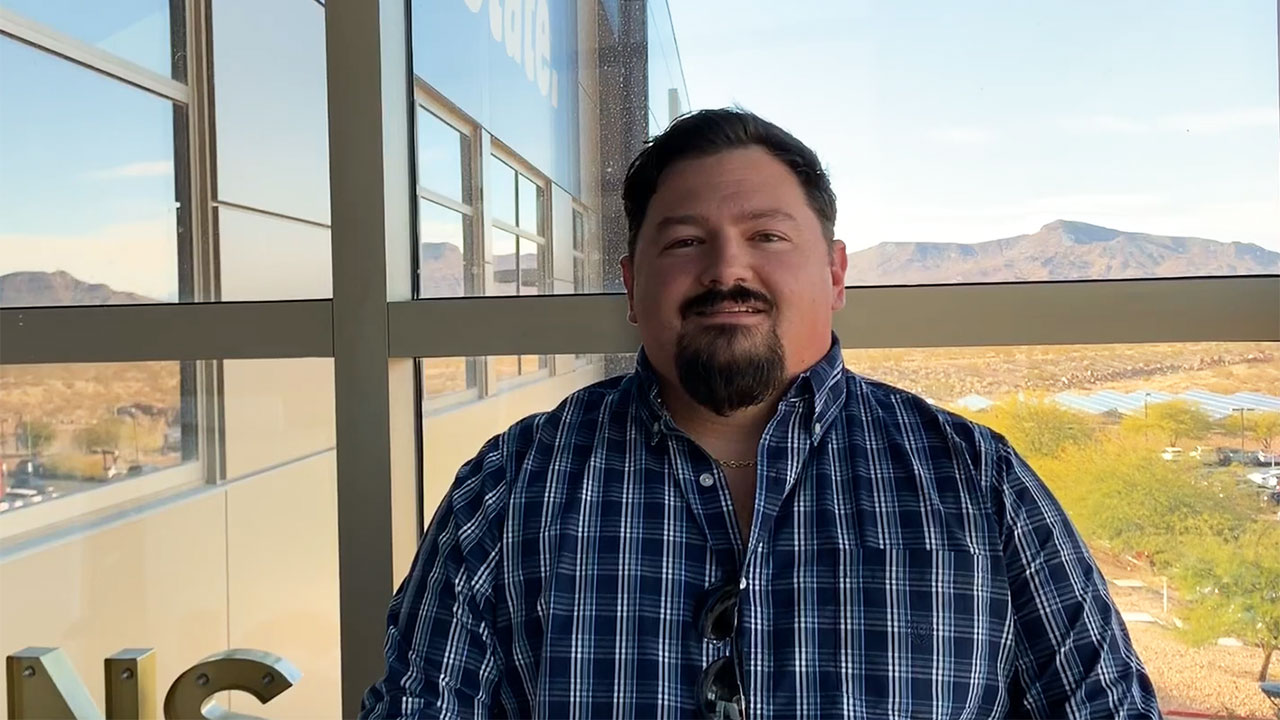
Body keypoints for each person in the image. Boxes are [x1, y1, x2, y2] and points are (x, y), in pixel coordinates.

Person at [362, 108, 1161, 718]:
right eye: (684, 243)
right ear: (632, 285)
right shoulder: (510, 488)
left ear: (836, 272)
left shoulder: (978, 484)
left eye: (767, 236)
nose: (727, 268)